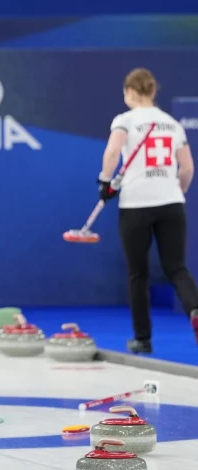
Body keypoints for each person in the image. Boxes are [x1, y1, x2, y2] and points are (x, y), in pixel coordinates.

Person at [96, 67, 198, 353]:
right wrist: (176, 191)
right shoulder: (173, 124)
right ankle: (195, 309)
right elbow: (187, 168)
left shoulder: (125, 121)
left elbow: (112, 152)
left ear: (130, 91)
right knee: (177, 268)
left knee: (138, 273)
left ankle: (143, 339)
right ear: (153, 92)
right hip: (171, 203)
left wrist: (105, 181)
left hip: (136, 205)